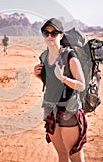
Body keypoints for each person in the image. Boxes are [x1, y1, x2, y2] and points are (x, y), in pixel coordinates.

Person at [33, 18, 87, 162]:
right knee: (62, 156)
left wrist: (63, 78)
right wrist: (37, 75)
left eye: (54, 33)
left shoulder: (69, 56)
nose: (50, 36)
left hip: (68, 110)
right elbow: (50, 83)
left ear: (61, 35)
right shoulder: (43, 56)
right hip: (50, 110)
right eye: (46, 33)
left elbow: (81, 85)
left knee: (75, 157)